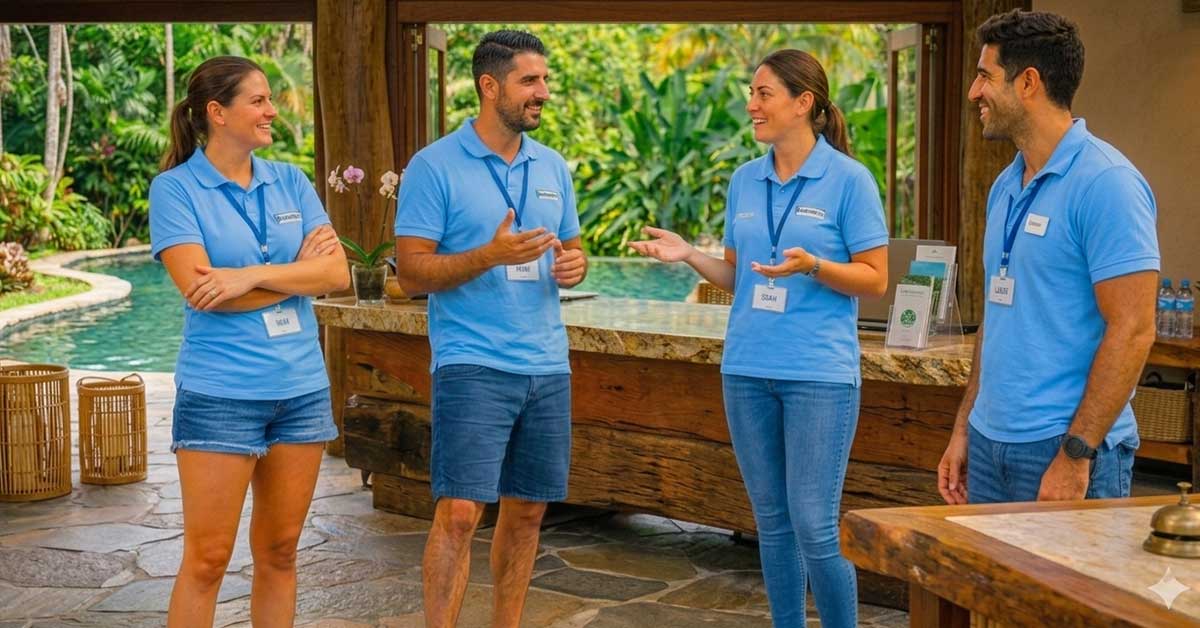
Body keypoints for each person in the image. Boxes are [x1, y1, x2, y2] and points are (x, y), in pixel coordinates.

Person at [630, 49, 887, 628]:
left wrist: (815, 265)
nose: (751, 105)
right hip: (746, 370)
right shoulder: (745, 180)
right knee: (770, 521)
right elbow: (738, 275)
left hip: (819, 376)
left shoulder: (850, 180)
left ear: (804, 103)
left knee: (815, 523)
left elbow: (875, 279)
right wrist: (689, 254)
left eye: (763, 93)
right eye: (752, 92)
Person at [391, 30, 587, 628]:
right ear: (489, 85)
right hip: (472, 361)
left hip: (548, 366)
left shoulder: (551, 166)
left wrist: (574, 266)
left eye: (545, 80)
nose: (543, 92)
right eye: (530, 80)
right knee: (458, 512)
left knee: (528, 513)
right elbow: (411, 275)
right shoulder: (433, 167)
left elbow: (572, 251)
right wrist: (488, 255)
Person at [149, 56, 350, 627]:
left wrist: (245, 276)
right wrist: (289, 277)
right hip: (220, 395)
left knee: (281, 552)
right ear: (217, 113)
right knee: (208, 560)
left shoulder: (290, 178)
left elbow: (336, 275)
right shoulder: (176, 189)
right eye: (258, 101)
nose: (271, 111)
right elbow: (201, 291)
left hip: (301, 391)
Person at [938, 9, 1159, 506]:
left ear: (1029, 82)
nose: (974, 92)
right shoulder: (1004, 186)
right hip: (992, 446)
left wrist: (1077, 453)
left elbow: (1134, 329)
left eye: (985, 76)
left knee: (1070, 589)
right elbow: (997, 321)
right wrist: (965, 428)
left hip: (1064, 448)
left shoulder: (1108, 184)